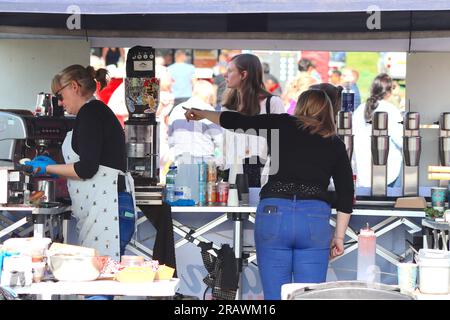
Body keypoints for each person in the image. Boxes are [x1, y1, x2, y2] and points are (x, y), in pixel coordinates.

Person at [184, 89, 354, 300]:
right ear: (328, 111)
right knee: (309, 296)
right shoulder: (335, 143)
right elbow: (347, 194)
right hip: (314, 219)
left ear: (300, 106)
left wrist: (202, 113)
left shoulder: (282, 124)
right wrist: (338, 237)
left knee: (274, 297)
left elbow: (238, 121)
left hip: (274, 215)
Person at [25, 64, 136, 261]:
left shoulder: (91, 113)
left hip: (109, 207)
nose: (60, 103)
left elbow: (86, 168)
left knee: (98, 281)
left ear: (74, 87)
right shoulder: (95, 112)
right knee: (98, 278)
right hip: (106, 206)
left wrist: (46, 167)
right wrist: (56, 168)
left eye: (59, 95)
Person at [221, 53, 285, 187]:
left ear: (244, 75)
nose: (225, 75)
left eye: (230, 71)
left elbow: (281, 142)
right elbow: (226, 145)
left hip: (264, 173)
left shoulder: (272, 103)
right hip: (232, 171)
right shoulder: (228, 106)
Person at [353, 73, 403, 188]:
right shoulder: (392, 110)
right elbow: (401, 140)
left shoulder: (360, 109)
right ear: (389, 91)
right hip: (388, 168)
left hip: (362, 167)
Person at [168, 80, 223, 166]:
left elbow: (170, 140)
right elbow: (220, 140)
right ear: (209, 96)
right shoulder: (208, 111)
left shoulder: (176, 109)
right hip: (203, 161)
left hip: (180, 160)